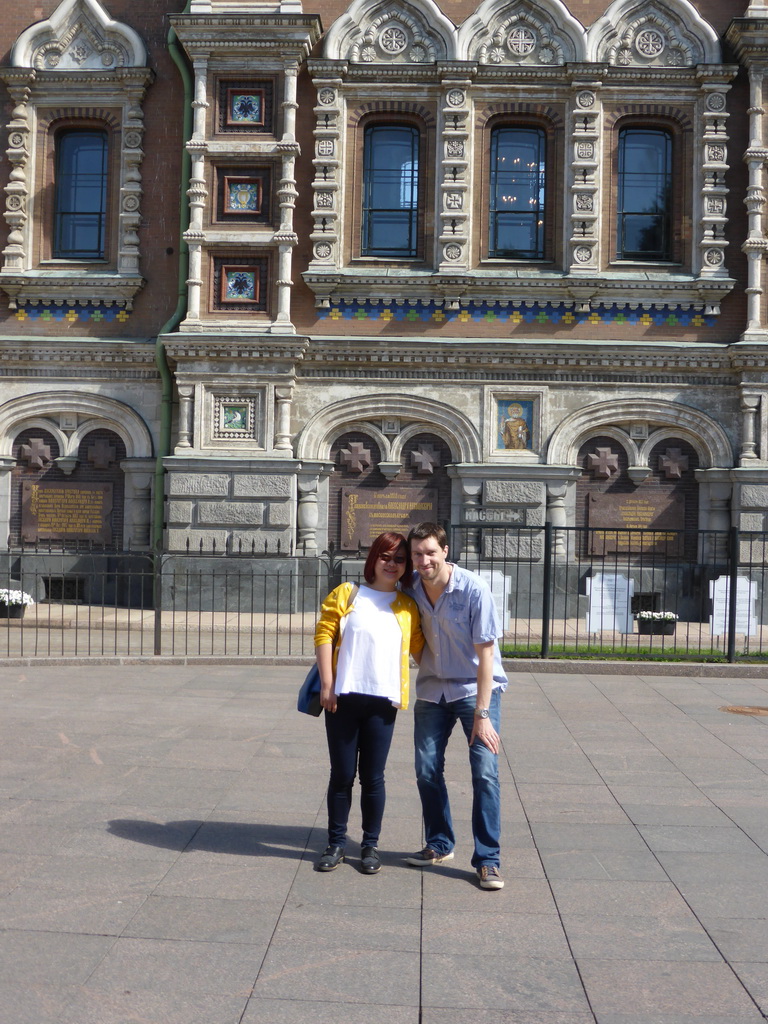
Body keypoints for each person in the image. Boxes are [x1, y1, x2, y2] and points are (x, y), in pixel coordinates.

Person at [404, 522, 508, 890]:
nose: (424, 560)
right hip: (432, 690)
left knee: (484, 771)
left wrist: (482, 715)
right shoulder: (410, 587)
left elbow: (486, 657)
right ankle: (439, 843)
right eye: (417, 554)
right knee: (426, 768)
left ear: (445, 551)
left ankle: (488, 860)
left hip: (475, 691)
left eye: (430, 552)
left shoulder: (474, 590)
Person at [314, 531, 424, 874]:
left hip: (382, 702)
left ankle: (370, 846)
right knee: (342, 774)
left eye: (399, 559)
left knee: (373, 777)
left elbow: (422, 650)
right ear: (373, 558)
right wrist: (327, 683)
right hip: (343, 698)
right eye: (385, 556)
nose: (391, 564)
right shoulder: (348, 594)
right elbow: (324, 634)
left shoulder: (407, 606)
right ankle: (336, 843)